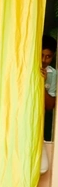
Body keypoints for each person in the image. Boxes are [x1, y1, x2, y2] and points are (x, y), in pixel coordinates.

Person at [41, 34, 56, 174]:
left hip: (39, 126)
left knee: (42, 167)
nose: (44, 60)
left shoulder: (53, 74)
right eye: (41, 55)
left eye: (48, 57)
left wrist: (42, 83)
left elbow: (50, 106)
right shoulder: (23, 68)